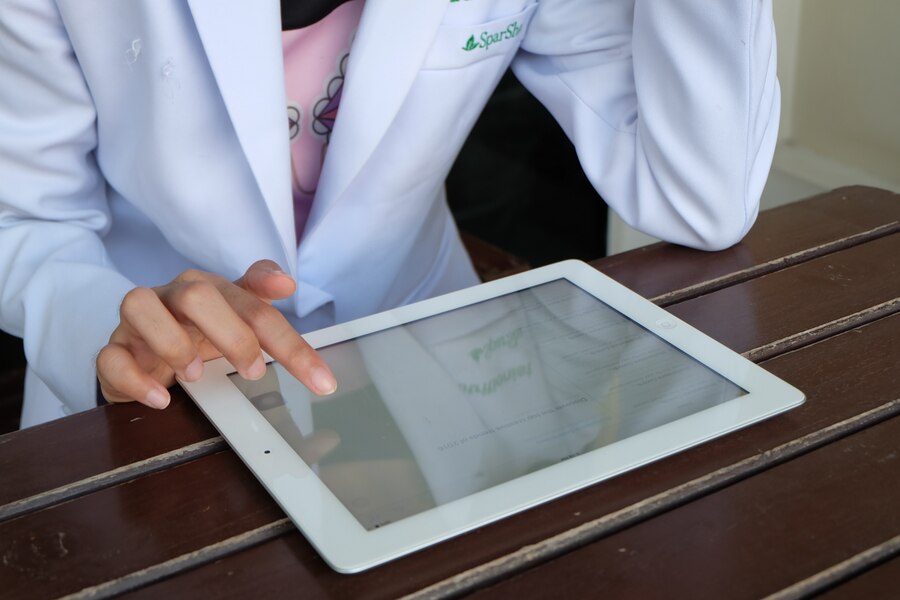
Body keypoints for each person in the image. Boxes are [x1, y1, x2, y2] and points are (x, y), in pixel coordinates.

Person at [0, 1, 780, 428]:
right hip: (161, 393)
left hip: (434, 366)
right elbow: (24, 222)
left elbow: (699, 199)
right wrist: (116, 326)